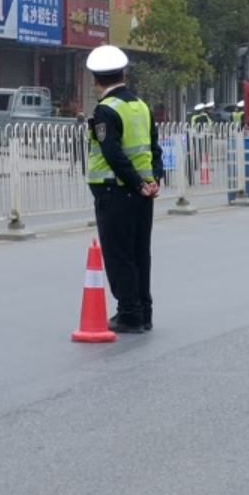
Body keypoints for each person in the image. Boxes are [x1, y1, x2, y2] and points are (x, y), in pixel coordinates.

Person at [85, 45, 161, 334]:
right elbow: (154, 149)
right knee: (140, 253)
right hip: (143, 195)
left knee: (119, 256)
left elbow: (113, 155)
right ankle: (144, 312)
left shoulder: (106, 110)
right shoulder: (141, 107)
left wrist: (137, 184)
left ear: (96, 79)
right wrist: (153, 180)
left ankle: (129, 314)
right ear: (124, 74)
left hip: (116, 193)